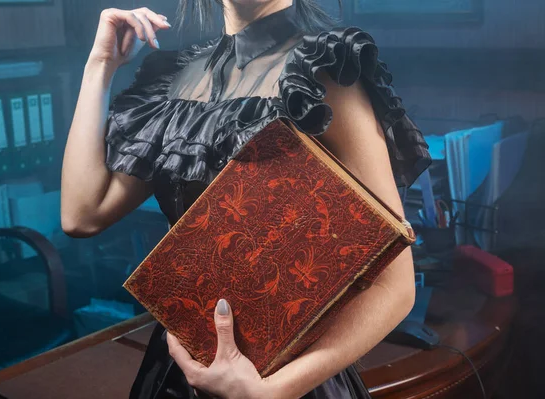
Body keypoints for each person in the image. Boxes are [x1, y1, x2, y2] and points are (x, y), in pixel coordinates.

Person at [60, 0, 431, 398]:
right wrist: (99, 66)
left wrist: (269, 391)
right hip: (178, 370)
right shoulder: (174, 78)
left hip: (286, 379)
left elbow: (396, 287)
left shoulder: (324, 69)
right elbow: (82, 213)